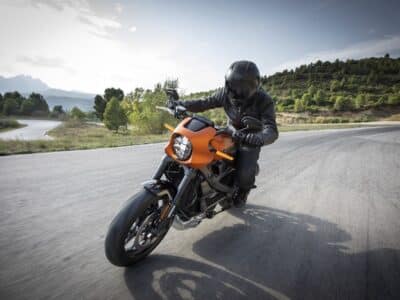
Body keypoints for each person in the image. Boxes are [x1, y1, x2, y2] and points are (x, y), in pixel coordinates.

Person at [172, 60, 278, 207]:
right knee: (202, 147)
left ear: (250, 89)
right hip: (230, 130)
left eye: (239, 90)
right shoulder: (225, 93)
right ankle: (201, 182)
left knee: (245, 171)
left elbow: (271, 129)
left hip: (249, 136)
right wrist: (181, 104)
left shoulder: (264, 100)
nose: (234, 93)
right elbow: (204, 102)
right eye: (232, 88)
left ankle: (243, 191)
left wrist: (259, 138)